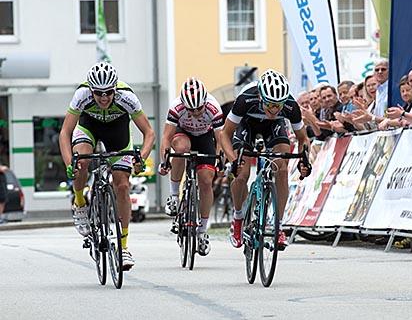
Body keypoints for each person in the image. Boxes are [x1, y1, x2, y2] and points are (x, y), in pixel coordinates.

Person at [59, 62, 155, 270]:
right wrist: (70, 163)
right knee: (81, 161)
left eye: (109, 93)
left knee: (122, 185)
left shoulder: (127, 96)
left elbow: (149, 132)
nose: (104, 98)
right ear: (91, 90)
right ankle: (80, 202)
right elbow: (65, 133)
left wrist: (141, 157)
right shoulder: (81, 94)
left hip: (117, 133)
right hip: (89, 128)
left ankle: (124, 246)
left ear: (115, 89)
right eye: (99, 93)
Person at [219, 69, 312, 250]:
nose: (274, 109)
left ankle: (278, 225)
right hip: (247, 125)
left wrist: (304, 160)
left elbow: (303, 139)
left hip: (274, 127)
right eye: (270, 104)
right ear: (261, 97)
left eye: (278, 105)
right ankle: (238, 218)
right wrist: (233, 160)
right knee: (242, 173)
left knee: (282, 168)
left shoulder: (291, 106)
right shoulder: (246, 99)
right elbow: (225, 134)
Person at [158, 77, 224, 256]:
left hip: (204, 138)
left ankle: (202, 231)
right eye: (190, 109)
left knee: (205, 181)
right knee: (180, 148)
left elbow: (220, 139)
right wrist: (164, 161)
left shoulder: (213, 107)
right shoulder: (176, 107)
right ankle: (173, 196)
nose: (195, 112)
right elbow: (165, 138)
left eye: (198, 108)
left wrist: (221, 159)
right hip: (183, 134)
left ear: (204, 102)